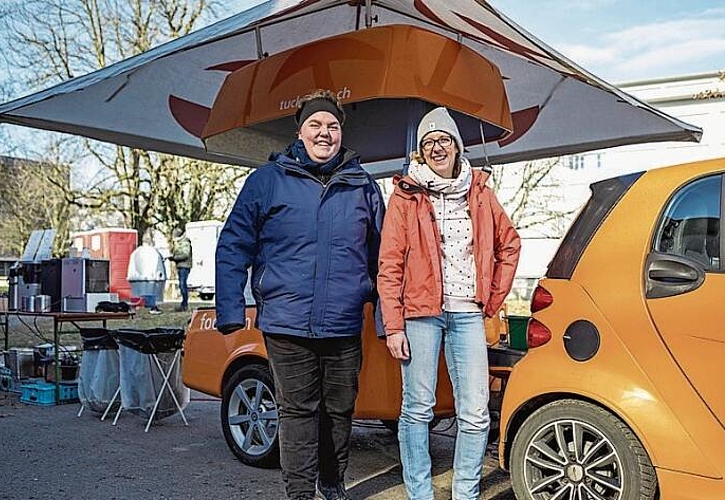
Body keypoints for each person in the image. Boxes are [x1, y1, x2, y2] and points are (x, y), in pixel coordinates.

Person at [215, 89, 385, 500]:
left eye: (332, 126)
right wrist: (230, 310)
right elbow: (233, 244)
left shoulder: (363, 185)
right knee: (298, 411)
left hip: (344, 320)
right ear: (300, 130)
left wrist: (386, 319)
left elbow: (384, 258)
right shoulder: (266, 182)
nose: (324, 133)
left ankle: (332, 481)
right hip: (286, 322)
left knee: (340, 409)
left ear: (341, 132)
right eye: (315, 124)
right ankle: (299, 493)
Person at [378, 107, 521, 500]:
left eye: (444, 140)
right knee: (417, 410)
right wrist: (393, 326)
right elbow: (389, 264)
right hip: (420, 315)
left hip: (467, 313)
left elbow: (510, 244)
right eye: (428, 143)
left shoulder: (480, 193)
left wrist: (491, 298)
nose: (437, 147)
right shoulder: (405, 197)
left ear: (457, 146)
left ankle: (466, 493)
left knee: (475, 413)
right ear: (421, 153)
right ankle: (420, 494)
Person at [127, 235, 167, 315]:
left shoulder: (136, 252)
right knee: (151, 294)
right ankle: (152, 306)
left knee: (138, 294)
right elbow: (158, 266)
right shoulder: (154, 252)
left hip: (136, 278)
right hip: (152, 277)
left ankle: (137, 304)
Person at [168, 227, 192, 312]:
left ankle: (184, 304)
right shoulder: (180, 242)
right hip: (181, 266)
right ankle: (183, 304)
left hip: (184, 266)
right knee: (182, 285)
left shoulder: (185, 242)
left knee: (182, 285)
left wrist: (175, 258)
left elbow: (185, 254)